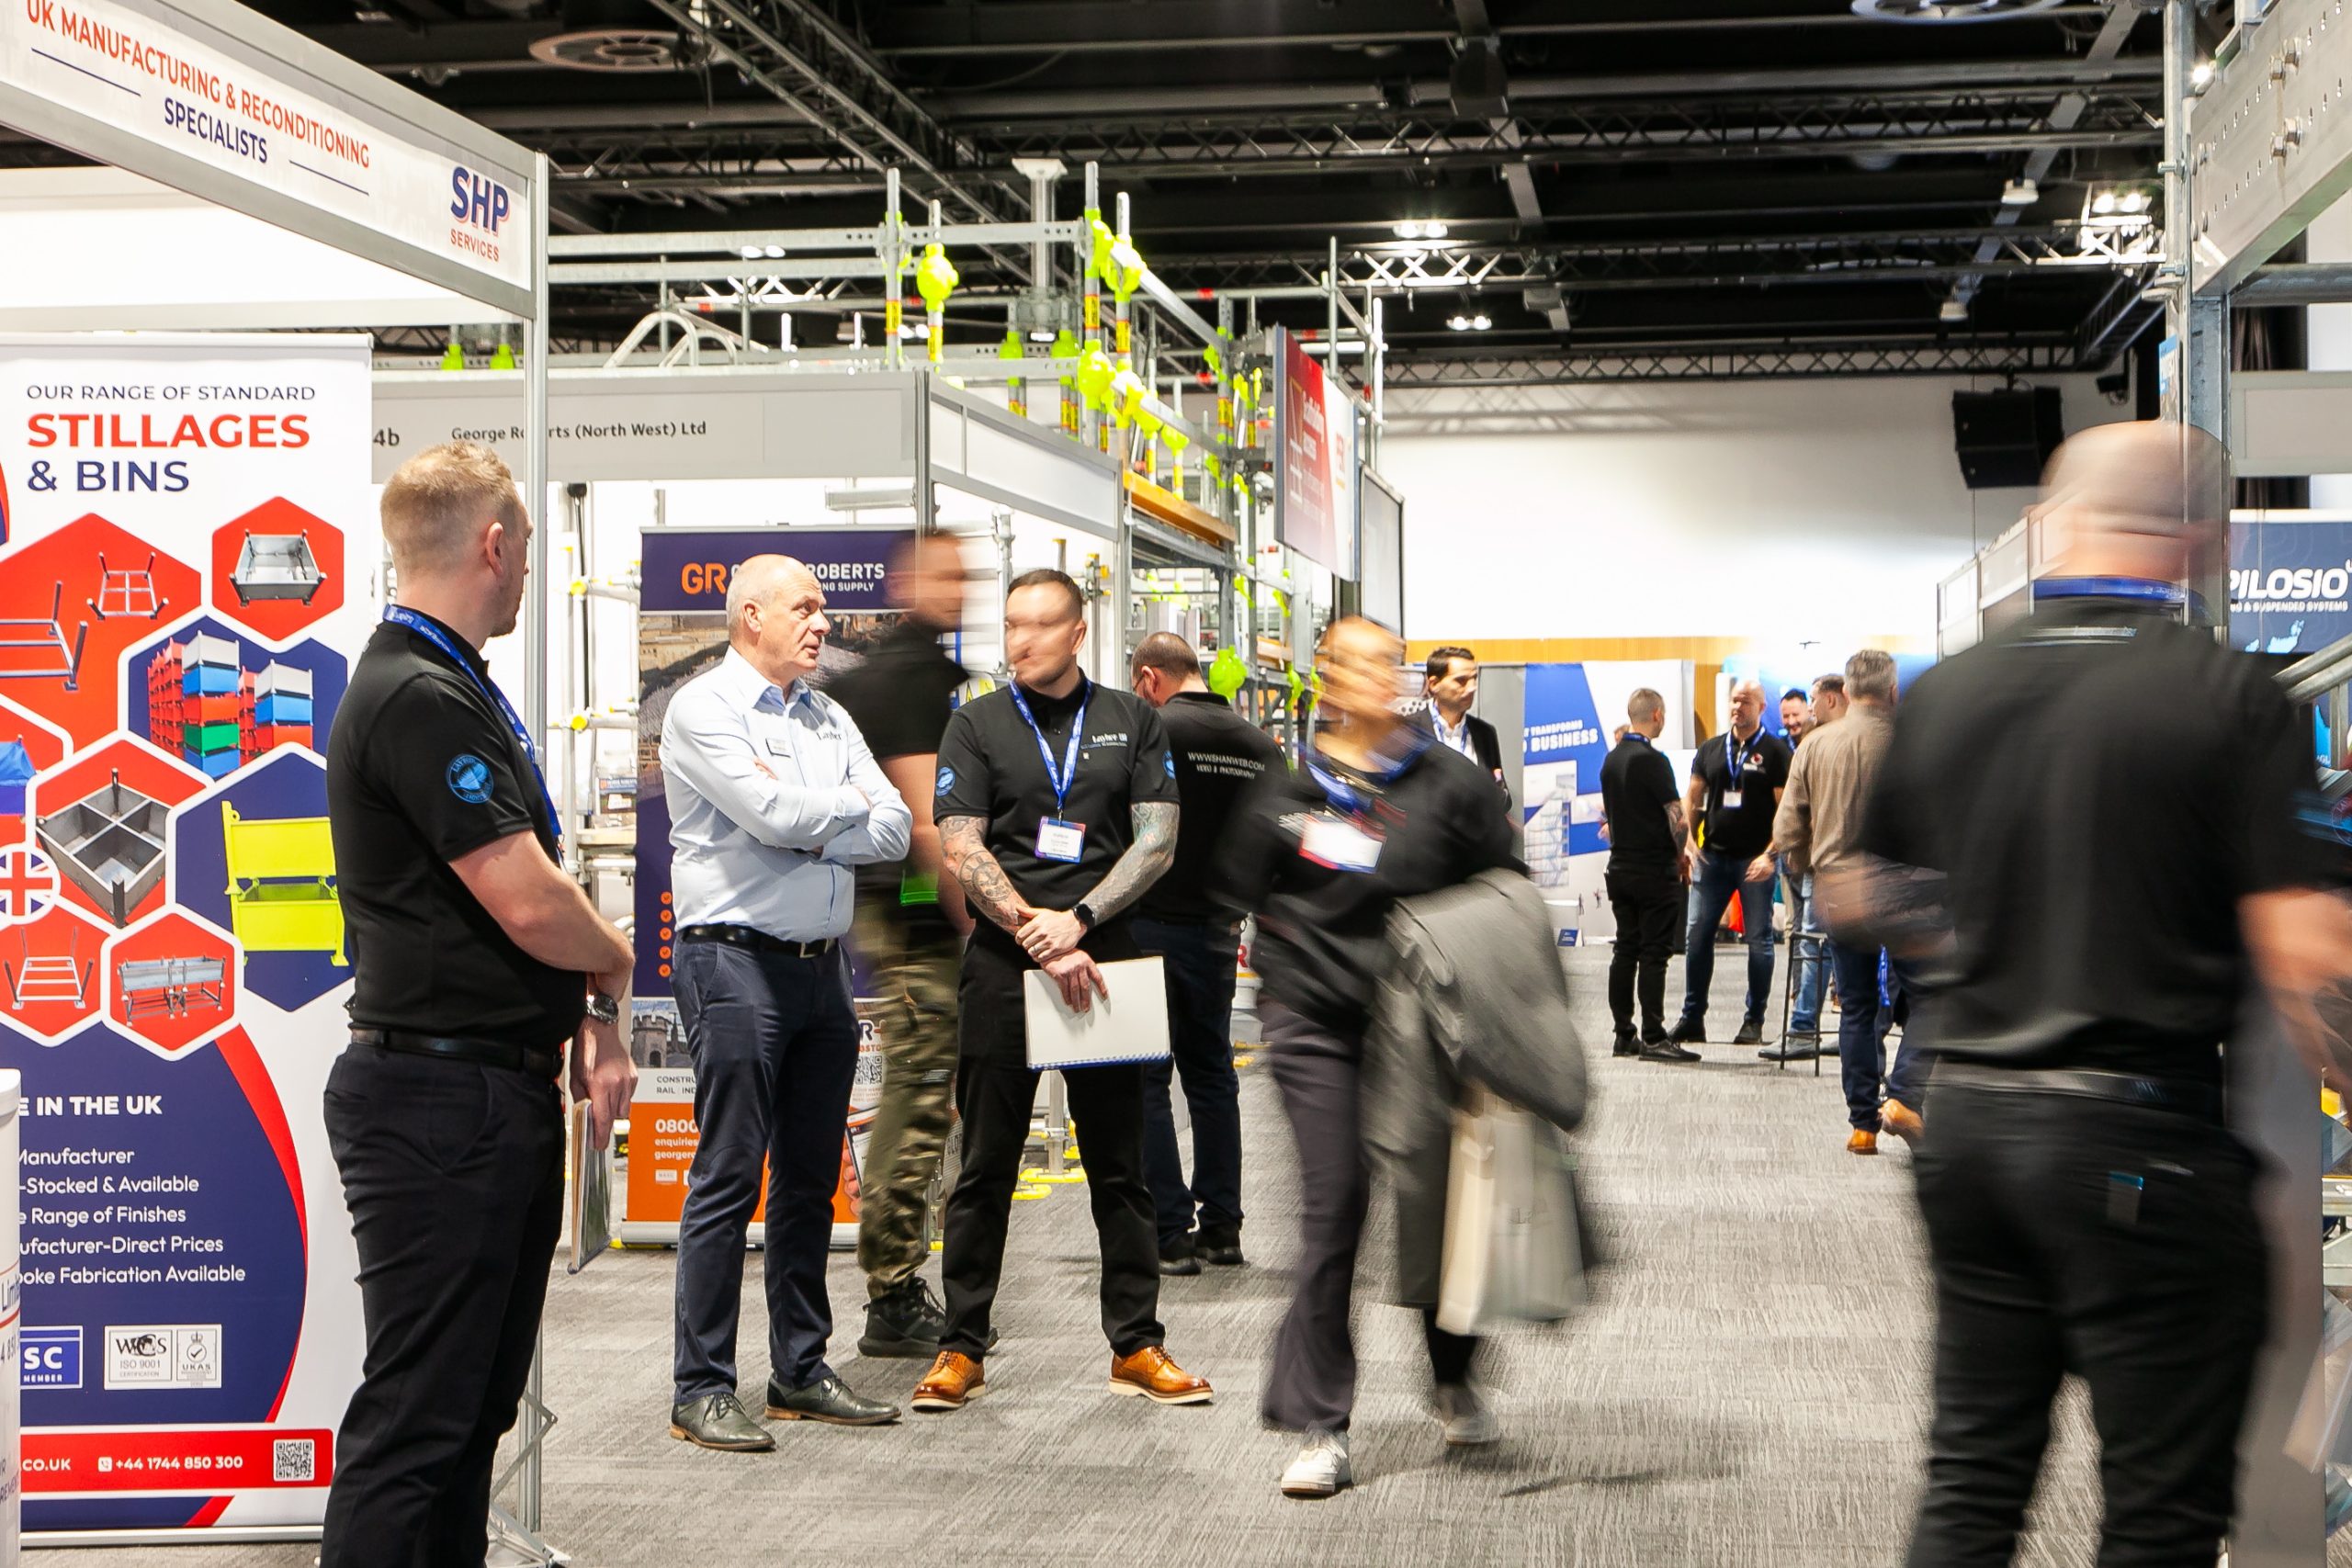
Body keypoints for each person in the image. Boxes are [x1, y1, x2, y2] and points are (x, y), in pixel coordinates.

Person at [1831, 421, 2352, 1567]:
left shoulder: (1951, 692)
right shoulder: (2228, 697)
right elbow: (2308, 958)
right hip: (2140, 1144)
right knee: (2159, 1510)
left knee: (1973, 1479)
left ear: (2051, 526)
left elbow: (1864, 892)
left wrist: (2000, 947)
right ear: (2205, 539)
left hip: (1969, 1129)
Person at [322, 443, 637, 1567]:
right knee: (421, 1421)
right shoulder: (420, 695)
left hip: (476, 1092)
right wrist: (614, 964)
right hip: (438, 1102)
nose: (529, 572)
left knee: (465, 1417)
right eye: (528, 549)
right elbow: (527, 898)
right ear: (494, 546)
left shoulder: (446, 684)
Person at [1222, 616, 1521, 1499]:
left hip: (1424, 1021)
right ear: (1324, 673)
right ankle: (1320, 1421)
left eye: (1388, 663)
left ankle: (1453, 1372)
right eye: (1355, 662)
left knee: (1439, 1201)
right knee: (1334, 1205)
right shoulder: (1287, 787)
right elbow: (1239, 888)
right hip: (1313, 1018)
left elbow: (1503, 886)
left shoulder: (1451, 783)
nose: (1374, 677)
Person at [916, 568, 1212, 1413]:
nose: (1020, 641)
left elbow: (1158, 841)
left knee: (1122, 1166)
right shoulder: (975, 723)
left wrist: (1077, 921)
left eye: (1040, 625)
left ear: (1079, 633)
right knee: (984, 1165)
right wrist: (1034, 931)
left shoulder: (1132, 719)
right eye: (1011, 624)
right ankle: (961, 1345)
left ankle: (1137, 1343)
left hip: (1104, 958)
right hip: (1006, 964)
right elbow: (960, 845)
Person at [661, 555, 914, 1450]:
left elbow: (894, 826)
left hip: (819, 971)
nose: (822, 623)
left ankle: (799, 1370)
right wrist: (833, 816)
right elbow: (771, 816)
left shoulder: (827, 714)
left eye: (823, 608)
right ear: (751, 616)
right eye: (804, 608)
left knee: (809, 1178)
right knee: (729, 1173)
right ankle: (701, 1387)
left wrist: (814, 826)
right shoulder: (703, 708)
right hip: (732, 965)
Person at [826, 535, 975, 1358]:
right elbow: (928, 828)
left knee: (924, 1094)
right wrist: (976, 921)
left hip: (895, 914)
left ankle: (900, 1278)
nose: (961, 589)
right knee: (916, 1099)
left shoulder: (895, 671)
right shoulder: (911, 679)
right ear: (907, 580)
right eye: (946, 574)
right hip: (917, 923)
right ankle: (891, 1289)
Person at [1128, 631, 1284, 1275]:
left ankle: (1169, 1232)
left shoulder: (1150, 730)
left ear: (1149, 678)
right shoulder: (1259, 745)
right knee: (1213, 1075)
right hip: (1220, 931)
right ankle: (1222, 1227)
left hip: (1146, 926)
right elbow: (1280, 843)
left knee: (1147, 1079)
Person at [1753, 650, 1926, 1146]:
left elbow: (1786, 828)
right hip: (1905, 888)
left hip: (1839, 889)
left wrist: (1808, 863)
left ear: (1846, 692)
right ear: (1893, 691)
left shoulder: (1815, 744)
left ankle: (1862, 1126)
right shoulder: (1912, 743)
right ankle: (1903, 1096)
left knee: (1855, 1007)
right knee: (1932, 998)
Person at [1669, 679, 1791, 1047]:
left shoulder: (1775, 752)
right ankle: (1693, 1018)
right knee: (1696, 936)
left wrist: (1770, 854)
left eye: (1745, 701)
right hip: (1713, 858)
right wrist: (1688, 840)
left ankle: (1754, 1020)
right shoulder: (1711, 749)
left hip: (1755, 861)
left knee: (1759, 941)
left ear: (1761, 707)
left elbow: (1785, 811)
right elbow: (1692, 797)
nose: (1738, 707)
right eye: (1734, 701)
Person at [1600, 687, 1691, 1063]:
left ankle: (1624, 1034)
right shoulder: (1653, 761)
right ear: (1657, 715)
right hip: (1654, 870)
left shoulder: (1611, 760)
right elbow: (1677, 818)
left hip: (1620, 868)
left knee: (1626, 949)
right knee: (1655, 953)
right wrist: (1681, 856)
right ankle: (1654, 1036)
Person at [1419, 645, 1508, 796]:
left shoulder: (1485, 733)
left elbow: (1500, 794)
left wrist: (1499, 793)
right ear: (1434, 684)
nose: (1472, 687)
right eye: (1461, 680)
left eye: (1474, 678)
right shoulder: (1409, 730)